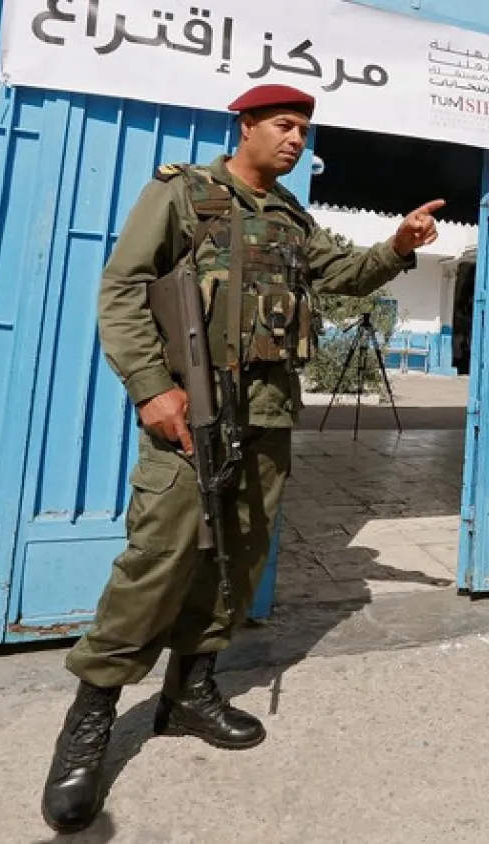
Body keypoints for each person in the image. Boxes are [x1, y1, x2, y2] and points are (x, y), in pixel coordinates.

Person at [40, 83, 444, 834]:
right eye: (285, 126)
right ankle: (90, 717)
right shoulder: (184, 194)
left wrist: (397, 246)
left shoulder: (292, 218)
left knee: (237, 556)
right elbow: (123, 287)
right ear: (247, 125)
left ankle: (188, 693)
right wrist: (149, 388)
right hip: (190, 411)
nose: (296, 141)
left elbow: (343, 277)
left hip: (267, 416)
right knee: (159, 557)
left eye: (304, 131)